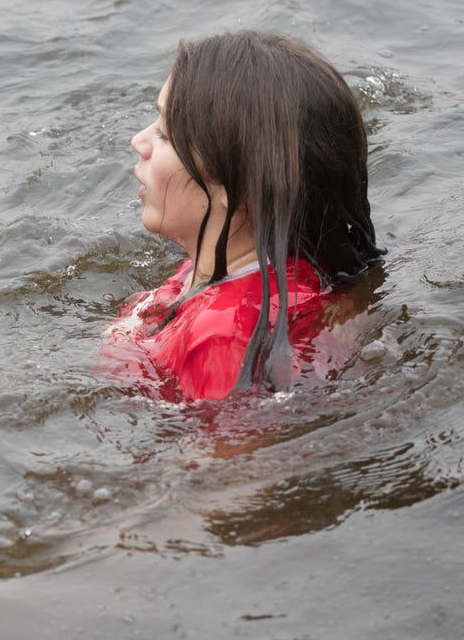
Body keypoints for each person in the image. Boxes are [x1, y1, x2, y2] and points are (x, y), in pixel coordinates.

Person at [100, 31, 384, 401]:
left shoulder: (223, 338)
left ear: (235, 191)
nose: (139, 141)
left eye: (166, 135)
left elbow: (230, 459)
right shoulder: (252, 267)